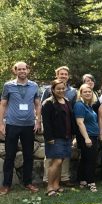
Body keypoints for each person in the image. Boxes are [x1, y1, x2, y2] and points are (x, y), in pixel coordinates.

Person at [0, 62, 41, 195]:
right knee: (9, 155)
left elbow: (38, 104)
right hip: (12, 125)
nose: (22, 71)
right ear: (15, 71)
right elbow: (3, 104)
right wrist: (1, 123)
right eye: (19, 69)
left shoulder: (34, 86)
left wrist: (38, 121)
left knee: (29, 155)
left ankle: (28, 182)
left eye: (24, 69)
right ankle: (6, 185)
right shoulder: (8, 85)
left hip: (29, 125)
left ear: (28, 70)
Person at [41, 66, 77, 187]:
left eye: (63, 89)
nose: (61, 90)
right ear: (53, 89)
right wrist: (49, 137)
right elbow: (46, 121)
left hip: (66, 135)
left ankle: (56, 185)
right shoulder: (48, 102)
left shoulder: (66, 100)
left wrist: (73, 134)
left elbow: (70, 117)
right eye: (58, 89)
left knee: (61, 161)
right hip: (54, 137)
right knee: (54, 161)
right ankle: (49, 186)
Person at [74, 84, 100, 192]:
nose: (88, 93)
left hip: (92, 135)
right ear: (80, 94)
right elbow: (80, 122)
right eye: (85, 92)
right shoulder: (79, 105)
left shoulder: (88, 105)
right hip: (87, 136)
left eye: (89, 91)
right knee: (91, 160)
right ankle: (91, 182)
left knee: (85, 159)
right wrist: (86, 138)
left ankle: (82, 180)